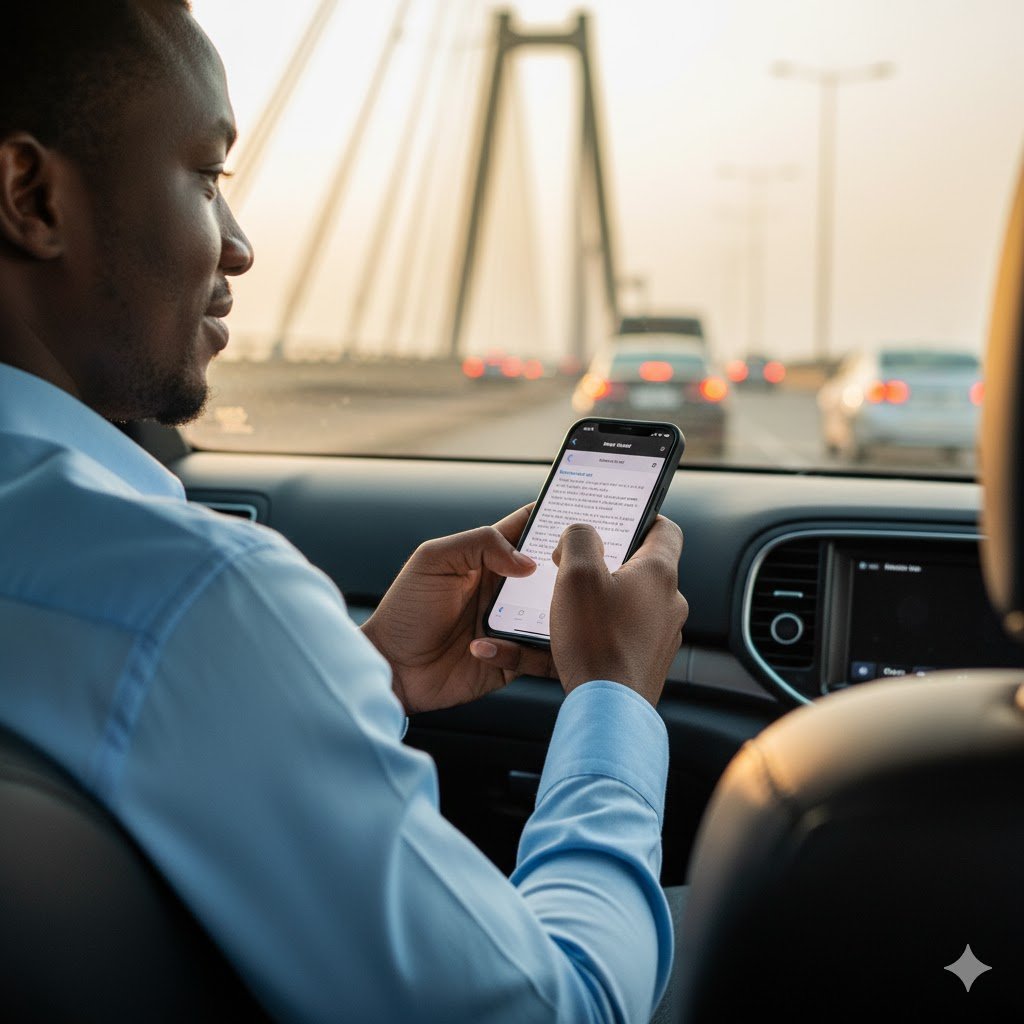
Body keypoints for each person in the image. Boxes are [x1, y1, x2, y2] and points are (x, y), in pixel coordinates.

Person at [0, 2, 689, 1021]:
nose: (237, 247)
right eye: (206, 175)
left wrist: (358, 676)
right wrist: (615, 708)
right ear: (31, 197)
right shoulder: (191, 597)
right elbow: (561, 1010)